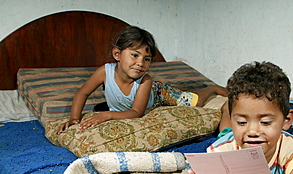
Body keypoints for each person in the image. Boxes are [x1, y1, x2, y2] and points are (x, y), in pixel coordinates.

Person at [182, 61, 293, 174]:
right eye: (242, 121)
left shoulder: (291, 151)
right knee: (225, 133)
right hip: (232, 138)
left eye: (265, 122)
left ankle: (229, 112)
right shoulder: (221, 150)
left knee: (229, 131)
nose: (252, 131)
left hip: (238, 136)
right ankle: (227, 111)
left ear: (287, 121)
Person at [57, 26, 226, 134]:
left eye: (147, 59)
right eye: (135, 55)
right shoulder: (104, 72)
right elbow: (82, 93)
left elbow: (137, 113)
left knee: (193, 101)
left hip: (160, 94)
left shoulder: (145, 81)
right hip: (124, 106)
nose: (140, 63)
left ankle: (211, 88)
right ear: (117, 54)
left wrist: (107, 115)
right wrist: (74, 118)